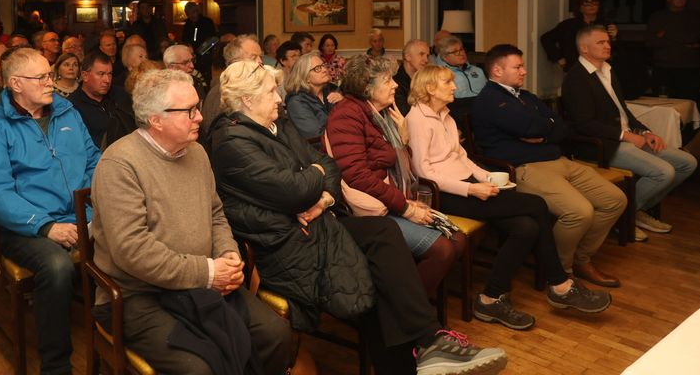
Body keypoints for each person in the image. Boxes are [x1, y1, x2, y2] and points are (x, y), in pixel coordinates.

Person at [209, 61, 507, 375]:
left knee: (383, 233)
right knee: (379, 287)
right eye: (271, 92)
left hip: (321, 222)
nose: (279, 98)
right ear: (247, 100)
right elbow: (296, 189)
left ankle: (429, 342)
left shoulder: (278, 124)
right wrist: (316, 176)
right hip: (289, 242)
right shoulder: (232, 141)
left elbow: (329, 167)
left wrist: (324, 196)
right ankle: (424, 347)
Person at [90, 68, 293, 374]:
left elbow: (215, 213)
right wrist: (208, 272)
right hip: (139, 296)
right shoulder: (119, 164)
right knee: (199, 367)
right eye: (190, 111)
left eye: (197, 107)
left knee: (275, 335)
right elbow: (132, 250)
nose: (200, 117)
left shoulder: (196, 152)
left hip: (202, 285)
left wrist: (228, 254)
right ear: (156, 120)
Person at [407, 65, 611, 330]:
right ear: (430, 88)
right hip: (446, 195)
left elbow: (462, 157)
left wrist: (487, 178)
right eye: (448, 82)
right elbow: (423, 172)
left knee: (526, 228)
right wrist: (471, 189)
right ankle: (560, 284)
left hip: (468, 185)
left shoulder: (445, 114)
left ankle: (490, 299)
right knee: (537, 204)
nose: (455, 86)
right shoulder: (418, 119)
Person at [0, 47, 100, 375]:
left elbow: (94, 161)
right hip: (25, 227)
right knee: (56, 267)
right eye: (41, 77)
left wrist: (95, 209)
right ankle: (56, 367)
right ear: (15, 83)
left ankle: (117, 342)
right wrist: (45, 226)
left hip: (80, 216)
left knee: (133, 239)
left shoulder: (67, 113)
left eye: (50, 75)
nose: (50, 83)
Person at [471, 44, 626, 288]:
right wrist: (545, 127)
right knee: (579, 212)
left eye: (522, 66)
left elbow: (563, 127)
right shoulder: (489, 100)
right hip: (525, 168)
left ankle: (580, 259)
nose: (524, 71)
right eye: (518, 67)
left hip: (557, 159)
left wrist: (543, 134)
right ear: (497, 71)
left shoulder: (526, 96)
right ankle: (559, 271)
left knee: (615, 200)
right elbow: (528, 127)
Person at [325, 56, 462, 293]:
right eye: (388, 80)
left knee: (458, 240)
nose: (396, 85)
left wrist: (403, 138)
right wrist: (406, 208)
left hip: (390, 197)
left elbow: (399, 163)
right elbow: (357, 176)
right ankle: (406, 306)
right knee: (443, 250)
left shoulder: (383, 114)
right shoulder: (347, 114)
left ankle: (404, 298)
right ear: (367, 87)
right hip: (368, 210)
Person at [563, 25, 697, 239]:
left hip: (626, 138)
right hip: (601, 144)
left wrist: (644, 132)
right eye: (600, 42)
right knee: (664, 172)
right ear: (584, 48)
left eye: (608, 41)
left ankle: (635, 211)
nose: (607, 46)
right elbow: (584, 124)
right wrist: (625, 136)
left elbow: (622, 110)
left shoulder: (608, 70)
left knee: (687, 163)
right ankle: (624, 218)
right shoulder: (576, 78)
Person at [646, 0, 700, 100]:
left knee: (687, 105)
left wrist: (664, 33)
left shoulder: (695, 16)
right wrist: (683, 42)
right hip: (662, 69)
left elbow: (691, 38)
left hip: (688, 70)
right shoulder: (657, 17)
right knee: (662, 105)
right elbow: (650, 41)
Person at [199, 35, 263, 139]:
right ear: (235, 62)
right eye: (254, 57)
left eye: (261, 57)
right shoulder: (223, 92)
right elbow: (217, 135)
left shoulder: (257, 86)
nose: (260, 61)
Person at [71, 50, 135, 149]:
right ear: (85, 76)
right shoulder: (73, 107)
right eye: (101, 74)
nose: (107, 80)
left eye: (110, 74)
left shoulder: (120, 95)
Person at [540, 0, 617, 71]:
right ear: (580, 7)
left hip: (602, 67)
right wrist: (558, 58)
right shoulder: (568, 25)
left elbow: (615, 50)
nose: (591, 6)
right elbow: (546, 38)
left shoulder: (606, 25)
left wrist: (614, 37)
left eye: (594, 3)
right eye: (587, 3)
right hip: (575, 66)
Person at [284, 52, 343, 139]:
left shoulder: (334, 90)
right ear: (306, 77)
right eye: (317, 68)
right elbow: (315, 136)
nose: (324, 70)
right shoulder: (296, 102)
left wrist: (344, 101)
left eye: (323, 65)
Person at [394, 39, 430, 114]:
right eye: (421, 54)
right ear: (407, 57)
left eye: (427, 56)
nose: (426, 60)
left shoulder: (427, 80)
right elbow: (406, 114)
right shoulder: (395, 84)